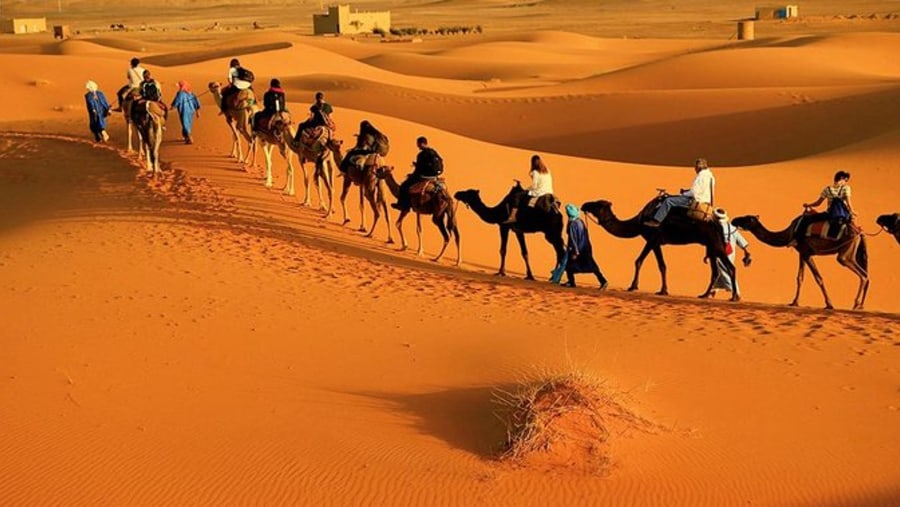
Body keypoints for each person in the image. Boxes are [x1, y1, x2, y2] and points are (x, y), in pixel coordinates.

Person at [646, 157, 715, 227]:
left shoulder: (701, 176)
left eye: (695, 167)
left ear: (698, 167)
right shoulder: (711, 177)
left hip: (695, 202)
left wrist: (683, 194)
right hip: (706, 203)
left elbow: (694, 193)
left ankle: (657, 221)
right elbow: (705, 191)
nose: (695, 169)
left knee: (668, 201)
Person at [706, 208, 751, 298]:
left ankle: (736, 292)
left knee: (725, 272)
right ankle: (713, 289)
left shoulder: (714, 228)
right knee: (722, 271)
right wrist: (746, 252)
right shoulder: (732, 228)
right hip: (731, 252)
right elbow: (741, 241)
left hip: (719, 252)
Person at [392, 136, 443, 211]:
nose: (417, 146)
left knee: (404, 186)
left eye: (418, 144)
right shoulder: (433, 152)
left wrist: (412, 175)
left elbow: (418, 169)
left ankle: (402, 205)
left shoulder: (421, 154)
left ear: (421, 143)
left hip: (425, 176)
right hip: (435, 175)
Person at [563, 203, 608, 289]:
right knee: (590, 265)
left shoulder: (573, 224)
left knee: (571, 265)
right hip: (586, 247)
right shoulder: (580, 221)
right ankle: (603, 281)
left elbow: (573, 238)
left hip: (578, 249)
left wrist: (575, 251)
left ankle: (572, 282)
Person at [801, 170, 856, 238]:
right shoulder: (846, 188)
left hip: (830, 214)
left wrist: (809, 205)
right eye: (845, 180)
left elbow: (818, 203)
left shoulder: (827, 189)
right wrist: (852, 211)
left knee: (807, 219)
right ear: (841, 178)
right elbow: (848, 202)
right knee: (857, 232)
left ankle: (798, 239)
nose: (846, 182)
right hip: (845, 215)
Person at [504, 154, 554, 224]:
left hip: (539, 192)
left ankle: (513, 216)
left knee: (517, 196)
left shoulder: (535, 172)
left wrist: (527, 189)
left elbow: (534, 186)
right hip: (549, 191)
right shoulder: (548, 170)